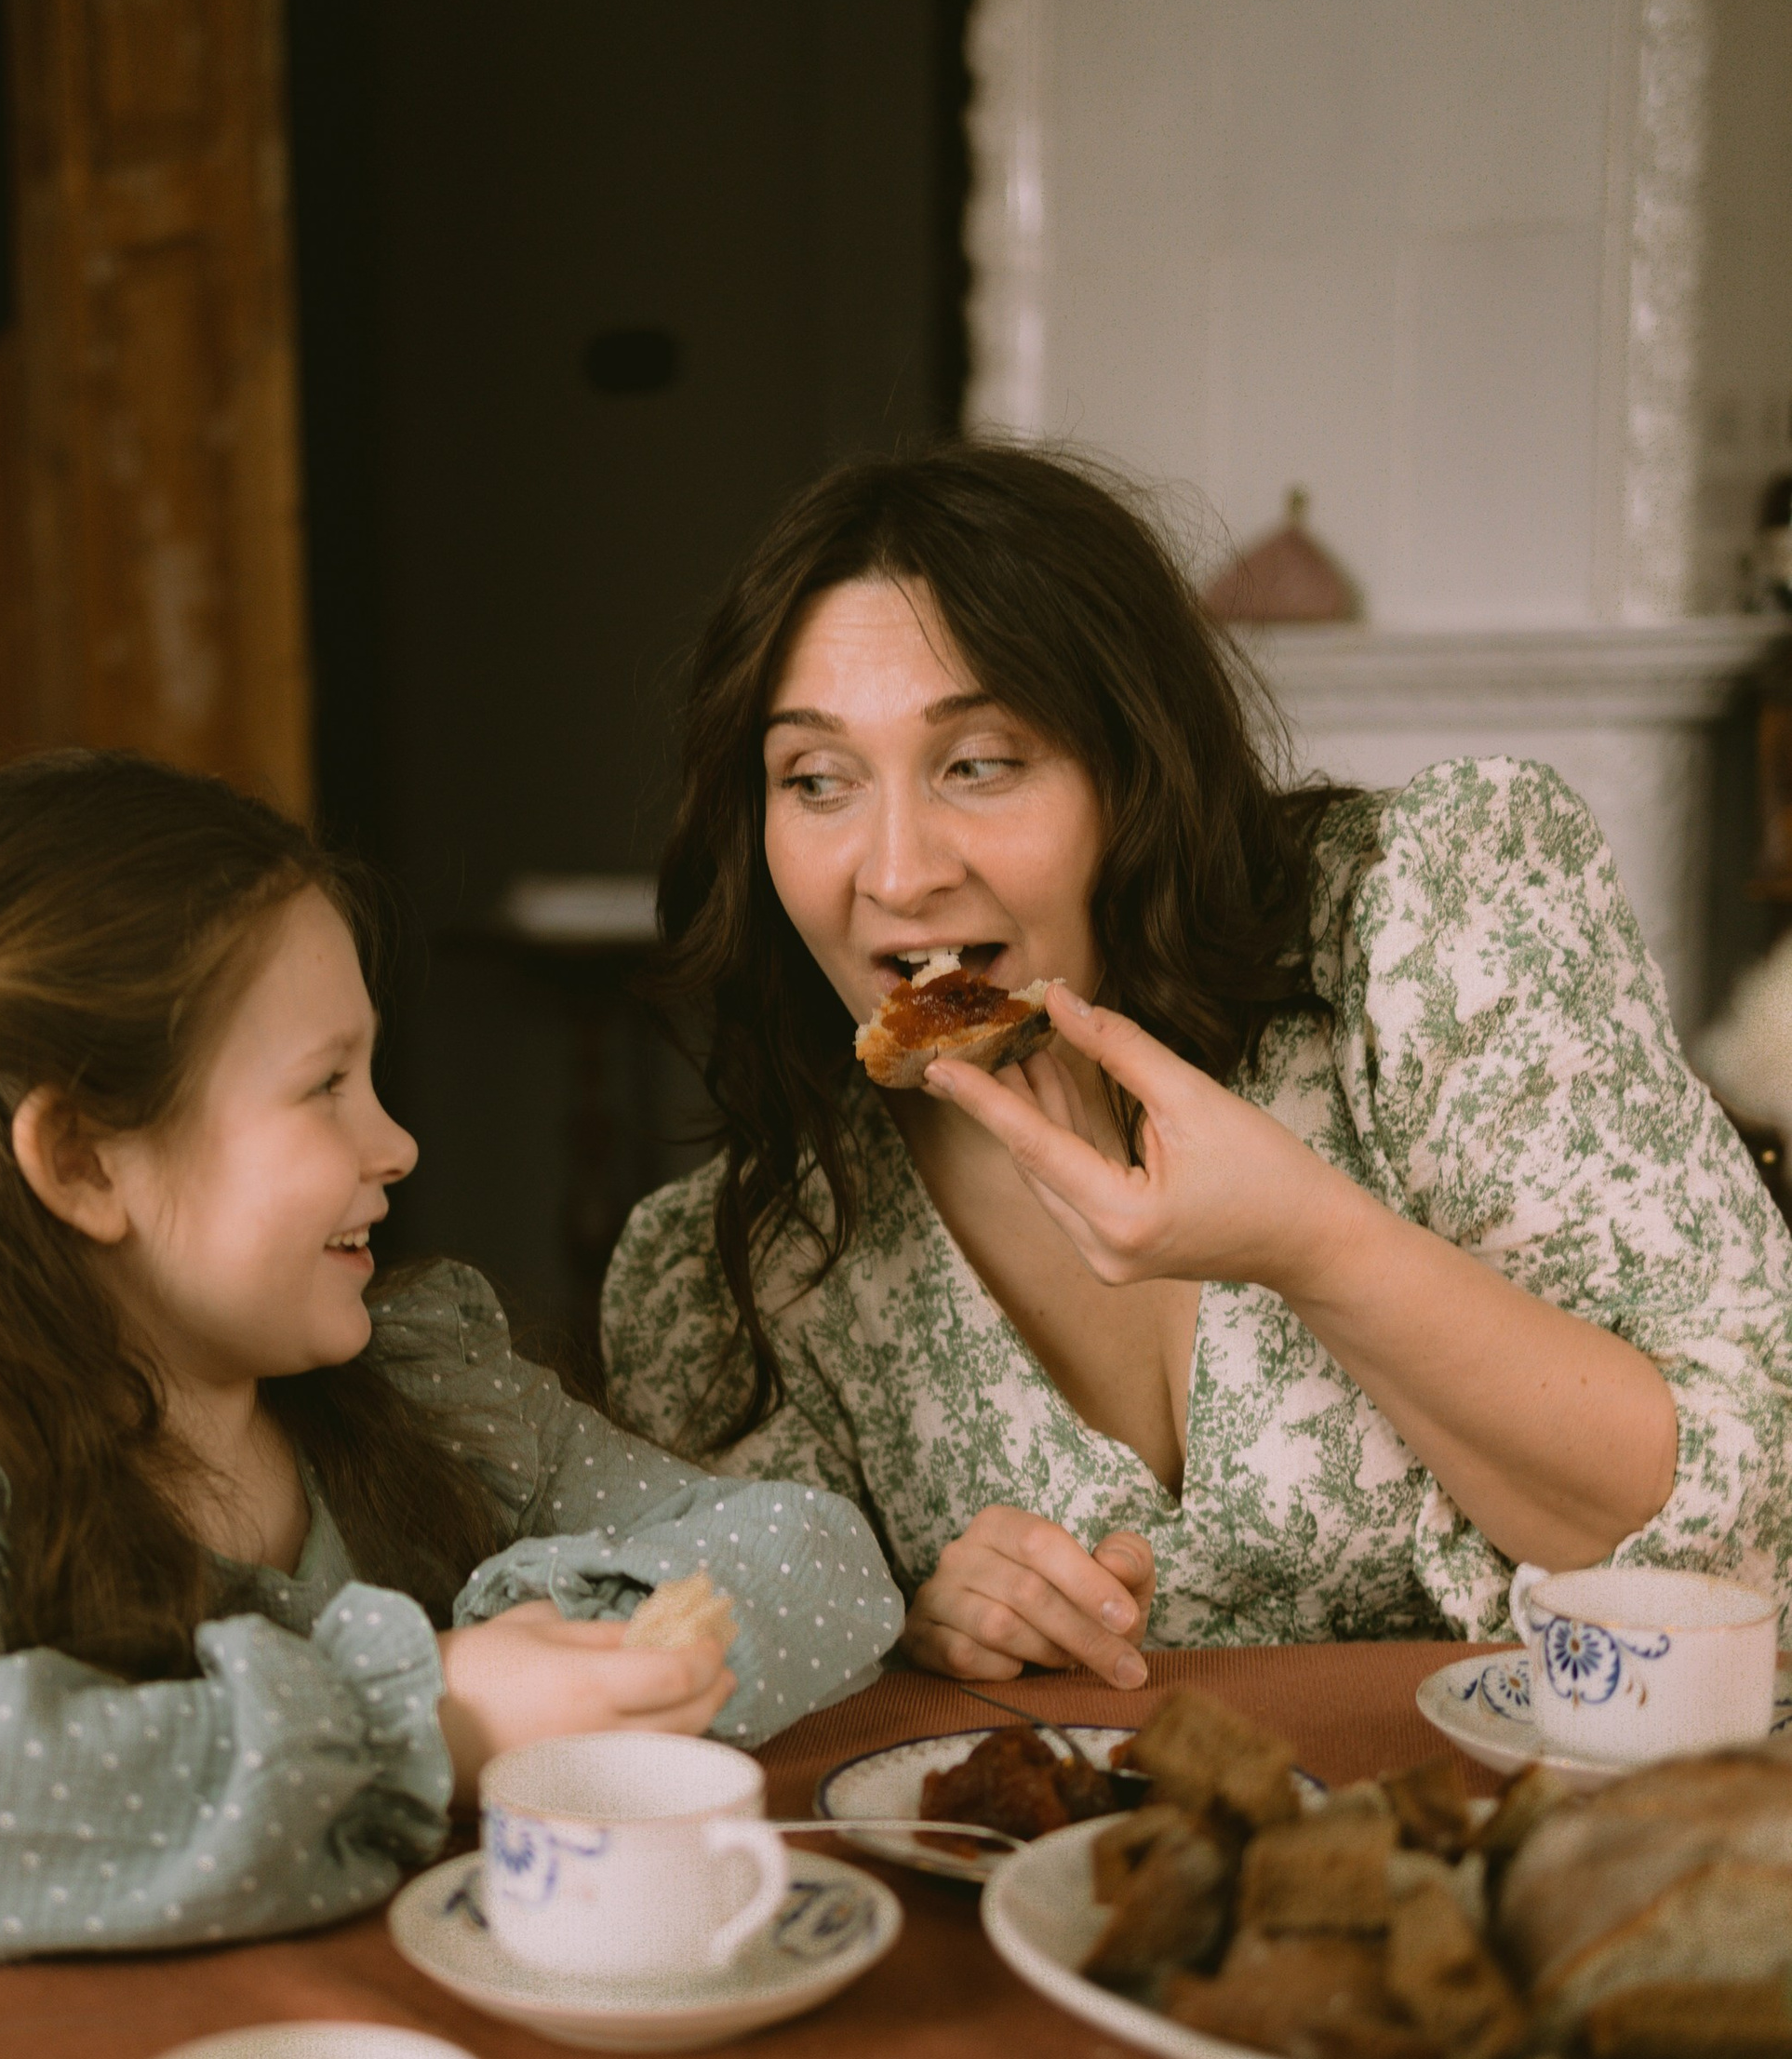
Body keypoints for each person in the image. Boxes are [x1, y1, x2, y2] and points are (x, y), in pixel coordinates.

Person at [0, 752, 900, 2052]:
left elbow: (821, 1558)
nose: (395, 1142)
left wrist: (547, 1647)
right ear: (80, 1158)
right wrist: (429, 1715)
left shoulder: (421, 1382)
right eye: (325, 1085)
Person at [603, 441, 1792, 1688]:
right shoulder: (744, 1277)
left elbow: (1753, 1529)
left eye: (980, 762)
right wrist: (917, 1628)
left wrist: (1313, 1244)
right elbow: (745, 1710)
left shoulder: (1431, 921)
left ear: (1134, 762)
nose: (897, 873)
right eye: (818, 779)